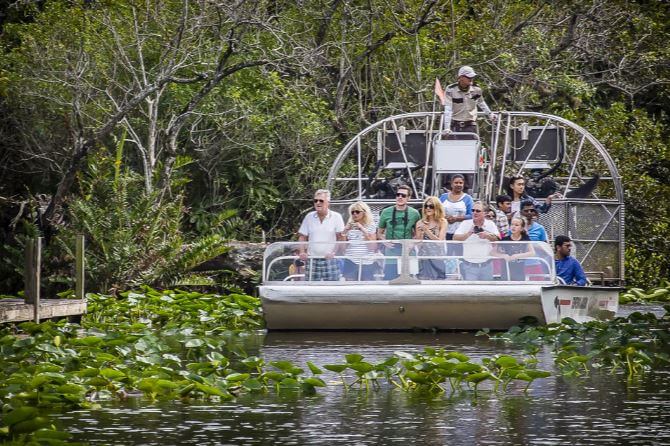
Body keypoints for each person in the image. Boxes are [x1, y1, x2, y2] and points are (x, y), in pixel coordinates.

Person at [297, 189, 345, 281]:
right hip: (312, 259)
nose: (318, 203)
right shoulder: (309, 217)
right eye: (315, 200)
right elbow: (302, 236)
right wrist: (302, 252)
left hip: (330, 259)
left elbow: (340, 237)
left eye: (321, 200)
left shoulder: (336, 217)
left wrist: (334, 253)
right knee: (311, 289)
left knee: (332, 288)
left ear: (328, 202)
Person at [377, 184, 421, 280]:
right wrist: (384, 241)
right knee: (390, 281)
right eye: (398, 195)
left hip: (408, 252)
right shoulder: (386, 212)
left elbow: (418, 235)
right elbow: (379, 232)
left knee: (411, 283)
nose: (400, 197)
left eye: (403, 195)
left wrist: (412, 244)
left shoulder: (414, 213)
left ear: (408, 198)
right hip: (391, 252)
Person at [436, 65, 495, 135]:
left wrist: (490, 114)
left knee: (471, 144)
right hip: (455, 124)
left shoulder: (475, 90)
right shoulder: (451, 90)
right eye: (468, 77)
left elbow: (481, 103)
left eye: (472, 77)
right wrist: (447, 127)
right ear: (461, 77)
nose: (471, 79)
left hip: (470, 125)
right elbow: (448, 109)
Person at [453, 201, 500, 280]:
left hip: (487, 265)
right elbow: (455, 238)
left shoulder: (490, 224)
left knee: (487, 292)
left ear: (485, 213)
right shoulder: (465, 223)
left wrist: (487, 236)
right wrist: (468, 234)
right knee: (470, 292)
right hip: (469, 266)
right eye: (473, 210)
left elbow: (498, 238)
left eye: (478, 211)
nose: (474, 212)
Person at [342, 201, 377, 281]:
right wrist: (344, 232)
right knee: (350, 287)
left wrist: (362, 230)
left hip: (367, 262)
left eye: (357, 212)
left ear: (364, 212)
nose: (355, 214)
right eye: (352, 212)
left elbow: (372, 247)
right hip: (351, 260)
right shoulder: (349, 225)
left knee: (366, 287)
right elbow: (343, 247)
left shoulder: (371, 225)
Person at [414, 196, 448, 280]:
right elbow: (418, 244)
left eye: (431, 206)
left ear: (436, 207)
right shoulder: (420, 222)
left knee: (439, 284)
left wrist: (426, 230)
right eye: (426, 206)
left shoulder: (442, 222)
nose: (428, 208)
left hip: (438, 257)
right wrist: (421, 234)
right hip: (424, 257)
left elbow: (440, 242)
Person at [494, 216, 534, 281]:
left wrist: (517, 256)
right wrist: (503, 255)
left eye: (516, 225)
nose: (513, 227)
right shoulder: (505, 239)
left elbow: (532, 253)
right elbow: (493, 252)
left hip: (519, 270)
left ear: (521, 228)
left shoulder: (525, 238)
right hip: (506, 269)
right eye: (512, 224)